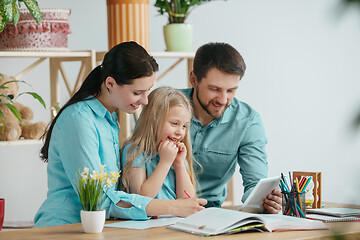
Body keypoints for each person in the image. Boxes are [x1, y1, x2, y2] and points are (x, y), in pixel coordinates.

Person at [34, 41, 206, 228]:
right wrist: (171, 207)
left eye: (147, 91)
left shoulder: (110, 120)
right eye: (137, 92)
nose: (145, 100)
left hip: (96, 226)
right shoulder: (79, 120)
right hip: (64, 226)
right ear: (110, 83)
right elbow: (98, 197)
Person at [181, 42, 281, 213]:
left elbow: (254, 184)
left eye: (231, 91)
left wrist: (265, 201)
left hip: (210, 213)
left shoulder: (248, 121)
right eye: (214, 89)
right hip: (161, 211)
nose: (223, 99)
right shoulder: (164, 106)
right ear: (193, 79)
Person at [121, 87, 197, 200]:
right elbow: (141, 198)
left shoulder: (176, 154)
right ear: (154, 120)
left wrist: (179, 163)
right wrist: (165, 162)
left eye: (184, 126)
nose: (180, 132)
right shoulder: (135, 151)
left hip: (175, 217)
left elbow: (189, 199)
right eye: (174, 123)